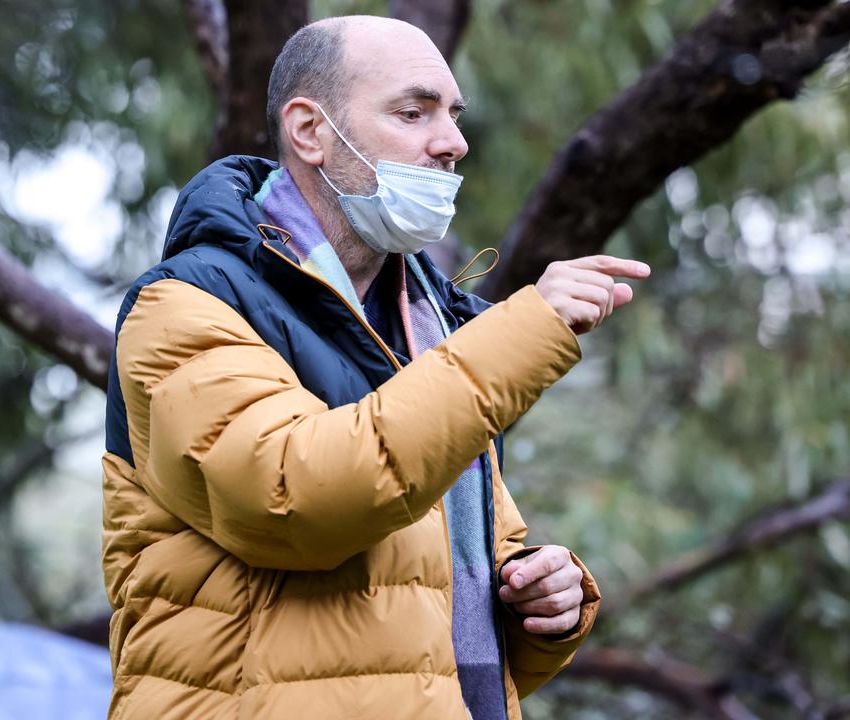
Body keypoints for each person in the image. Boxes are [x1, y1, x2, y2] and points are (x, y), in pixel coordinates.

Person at [100, 14, 649, 719]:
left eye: (453, 115)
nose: (453, 142)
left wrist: (537, 597)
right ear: (310, 131)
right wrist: (524, 330)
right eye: (414, 112)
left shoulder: (428, 323)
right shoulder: (187, 306)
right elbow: (301, 500)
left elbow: (427, 610)